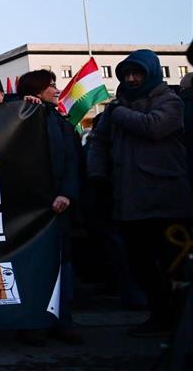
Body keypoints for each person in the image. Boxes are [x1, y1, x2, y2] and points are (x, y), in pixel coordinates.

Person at [87, 49, 193, 337]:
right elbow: (98, 142)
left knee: (172, 264)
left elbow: (154, 127)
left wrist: (118, 112)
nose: (132, 79)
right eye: (127, 75)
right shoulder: (117, 107)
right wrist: (97, 174)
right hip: (129, 201)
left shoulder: (170, 101)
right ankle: (160, 316)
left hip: (167, 201)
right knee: (141, 265)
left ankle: (179, 321)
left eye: (137, 74)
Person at [17, 69, 83, 344]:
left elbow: (72, 160)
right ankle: (35, 322)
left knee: (62, 263)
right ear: (36, 91)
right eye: (51, 86)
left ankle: (62, 320)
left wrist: (67, 193)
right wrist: (18, 103)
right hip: (29, 208)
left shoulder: (60, 122)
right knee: (31, 265)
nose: (57, 90)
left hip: (57, 206)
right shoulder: (20, 115)